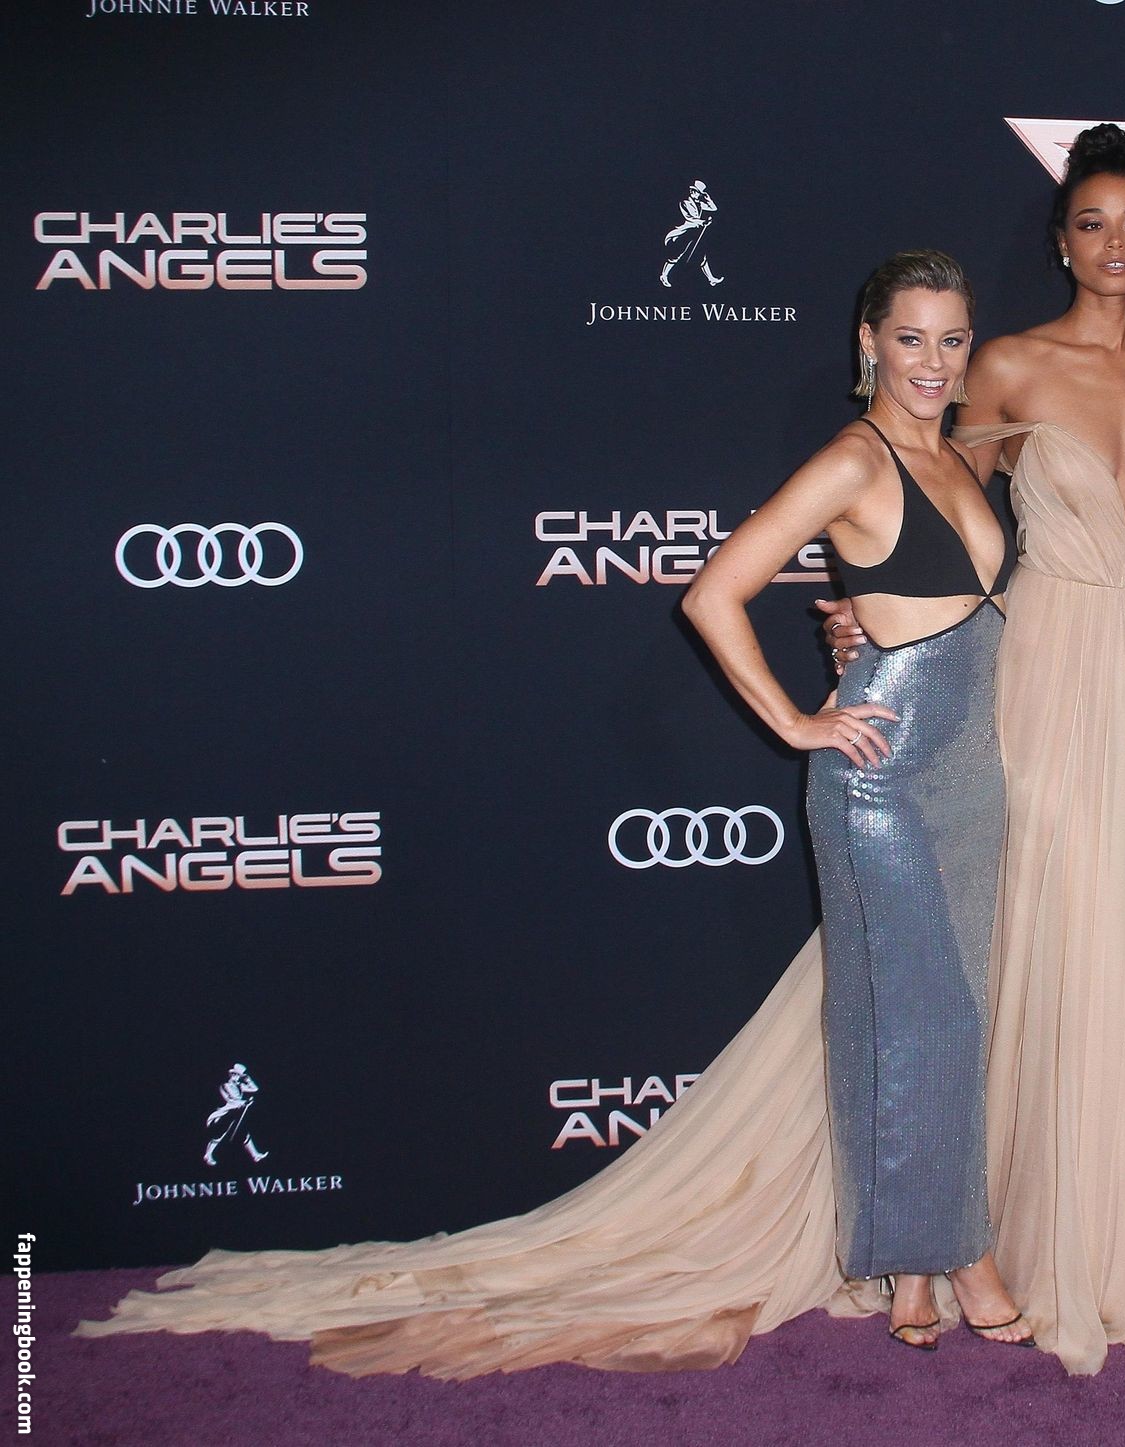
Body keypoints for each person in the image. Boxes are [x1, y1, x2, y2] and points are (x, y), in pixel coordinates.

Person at [77, 251, 1029, 1374]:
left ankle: (909, 1262)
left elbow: (965, 608)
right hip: (883, 780)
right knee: (915, 1019)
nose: (933, 362)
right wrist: (795, 720)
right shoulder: (850, 461)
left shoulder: (961, 454)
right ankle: (962, 1256)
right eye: (911, 338)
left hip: (969, 776)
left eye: (952, 339)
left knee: (935, 1014)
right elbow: (713, 592)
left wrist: (860, 632)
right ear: (869, 343)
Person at [823, 124, 1125, 1373]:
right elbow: (920, 490)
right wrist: (870, 614)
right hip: (1039, 672)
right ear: (1060, 241)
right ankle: (953, 1227)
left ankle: (1101, 1236)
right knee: (1016, 940)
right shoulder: (1003, 364)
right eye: (1091, 222)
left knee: (1122, 943)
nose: (1114, 243)